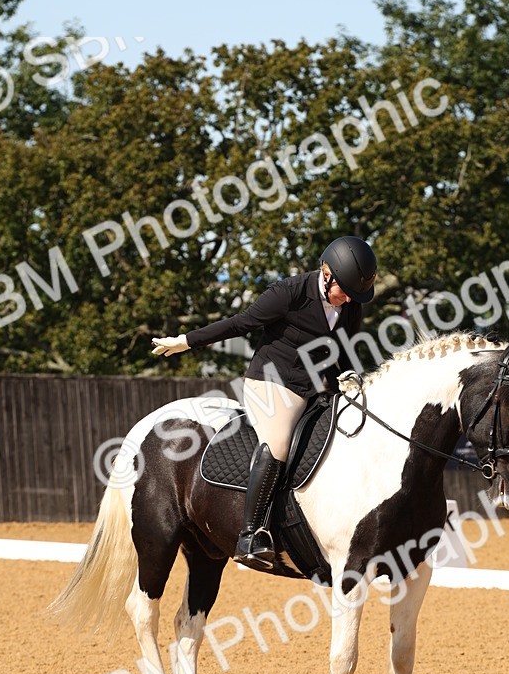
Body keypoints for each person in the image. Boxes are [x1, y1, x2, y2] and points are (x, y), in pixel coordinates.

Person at [152, 236, 377, 569]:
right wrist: (186, 341)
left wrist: (351, 377)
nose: (347, 300)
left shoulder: (350, 303)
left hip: (317, 387)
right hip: (273, 382)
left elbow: (342, 349)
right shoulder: (289, 293)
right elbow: (240, 323)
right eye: (343, 291)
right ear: (326, 273)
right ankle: (251, 534)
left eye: (353, 296)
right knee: (279, 443)